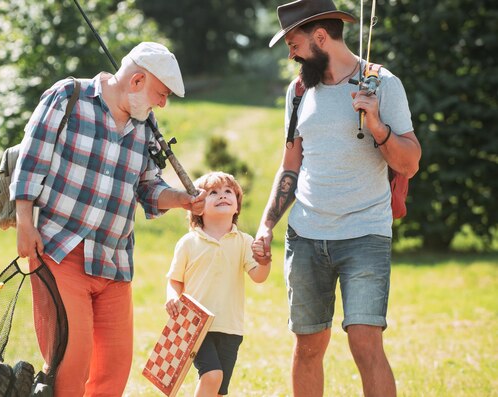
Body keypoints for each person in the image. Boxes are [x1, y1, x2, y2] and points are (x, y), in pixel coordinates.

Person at [10, 42, 207, 396]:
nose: (163, 103)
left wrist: (181, 200)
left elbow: (146, 186)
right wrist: (25, 223)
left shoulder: (145, 125)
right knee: (72, 363)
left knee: (113, 371)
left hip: (114, 262)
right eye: (161, 94)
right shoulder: (68, 97)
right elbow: (31, 161)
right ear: (136, 81)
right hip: (59, 251)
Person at [257, 1, 421, 396]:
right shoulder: (298, 91)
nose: (291, 53)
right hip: (307, 235)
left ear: (319, 37)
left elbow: (411, 162)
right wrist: (266, 225)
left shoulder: (382, 83)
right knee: (308, 347)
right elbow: (290, 166)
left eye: (293, 43)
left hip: (365, 234)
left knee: (366, 345)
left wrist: (378, 126)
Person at [165, 171, 271, 397]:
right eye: (213, 192)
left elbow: (258, 276)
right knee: (212, 375)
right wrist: (172, 297)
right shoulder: (188, 242)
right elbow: (175, 279)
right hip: (195, 325)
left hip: (230, 326)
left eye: (228, 192)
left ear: (237, 207)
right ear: (198, 207)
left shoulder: (244, 241)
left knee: (219, 389)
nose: (222, 195)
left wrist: (264, 261)